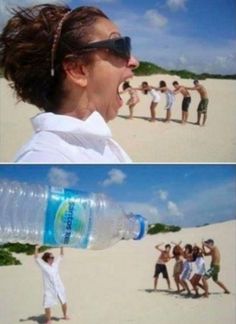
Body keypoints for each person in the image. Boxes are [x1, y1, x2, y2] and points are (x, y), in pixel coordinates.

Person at [0, 4, 139, 163]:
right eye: (120, 46)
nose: (134, 61)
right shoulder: (44, 157)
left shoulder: (91, 141)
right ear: (78, 70)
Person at [34, 245, 69, 324]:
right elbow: (36, 258)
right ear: (47, 259)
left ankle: (65, 315)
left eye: (53, 257)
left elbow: (61, 256)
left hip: (59, 286)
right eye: (51, 257)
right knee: (47, 304)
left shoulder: (55, 264)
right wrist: (36, 248)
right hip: (49, 289)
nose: (53, 259)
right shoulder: (44, 266)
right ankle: (49, 320)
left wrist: (61, 247)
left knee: (63, 301)